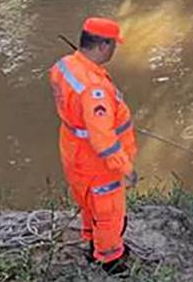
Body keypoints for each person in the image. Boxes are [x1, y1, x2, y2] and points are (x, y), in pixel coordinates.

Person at [48, 17, 138, 275]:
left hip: (74, 150)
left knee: (88, 202)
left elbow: (74, 105)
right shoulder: (94, 89)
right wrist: (125, 167)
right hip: (96, 161)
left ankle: (91, 242)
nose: (114, 50)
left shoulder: (65, 65)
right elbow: (103, 139)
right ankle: (110, 260)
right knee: (109, 212)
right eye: (113, 45)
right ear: (103, 45)